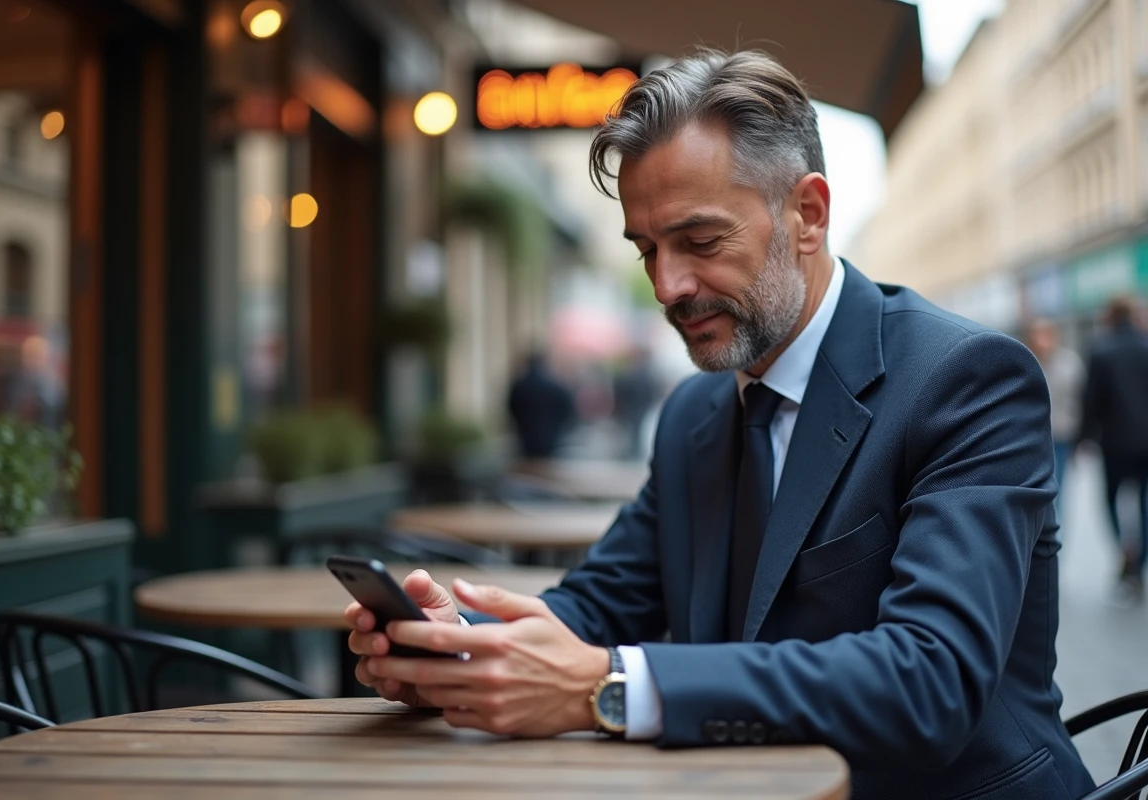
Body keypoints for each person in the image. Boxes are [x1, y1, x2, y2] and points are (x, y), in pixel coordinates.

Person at [346, 50, 1093, 799]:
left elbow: (931, 680)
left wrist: (607, 687)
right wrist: (458, 651)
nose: (668, 285)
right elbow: (600, 605)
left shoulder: (966, 379)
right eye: (647, 250)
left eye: (700, 242)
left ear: (808, 213)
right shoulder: (694, 414)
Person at [1080, 295, 1148, 603]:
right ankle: (1138, 565)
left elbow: (1091, 401)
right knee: (1145, 503)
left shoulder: (1101, 350)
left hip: (1114, 443)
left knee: (1110, 500)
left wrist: (1084, 437)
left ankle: (1125, 550)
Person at [1025, 318, 1085, 515]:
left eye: (1044, 335)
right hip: (1034, 435)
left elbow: (1080, 398)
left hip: (1062, 433)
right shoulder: (1025, 361)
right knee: (1040, 485)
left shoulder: (1069, 363)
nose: (1041, 341)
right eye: (1036, 336)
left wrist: (1081, 434)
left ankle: (1056, 528)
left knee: (1059, 485)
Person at [506, 350, 575, 459]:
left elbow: (512, 407)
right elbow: (567, 406)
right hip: (551, 434)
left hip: (526, 435)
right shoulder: (553, 385)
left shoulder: (520, 385)